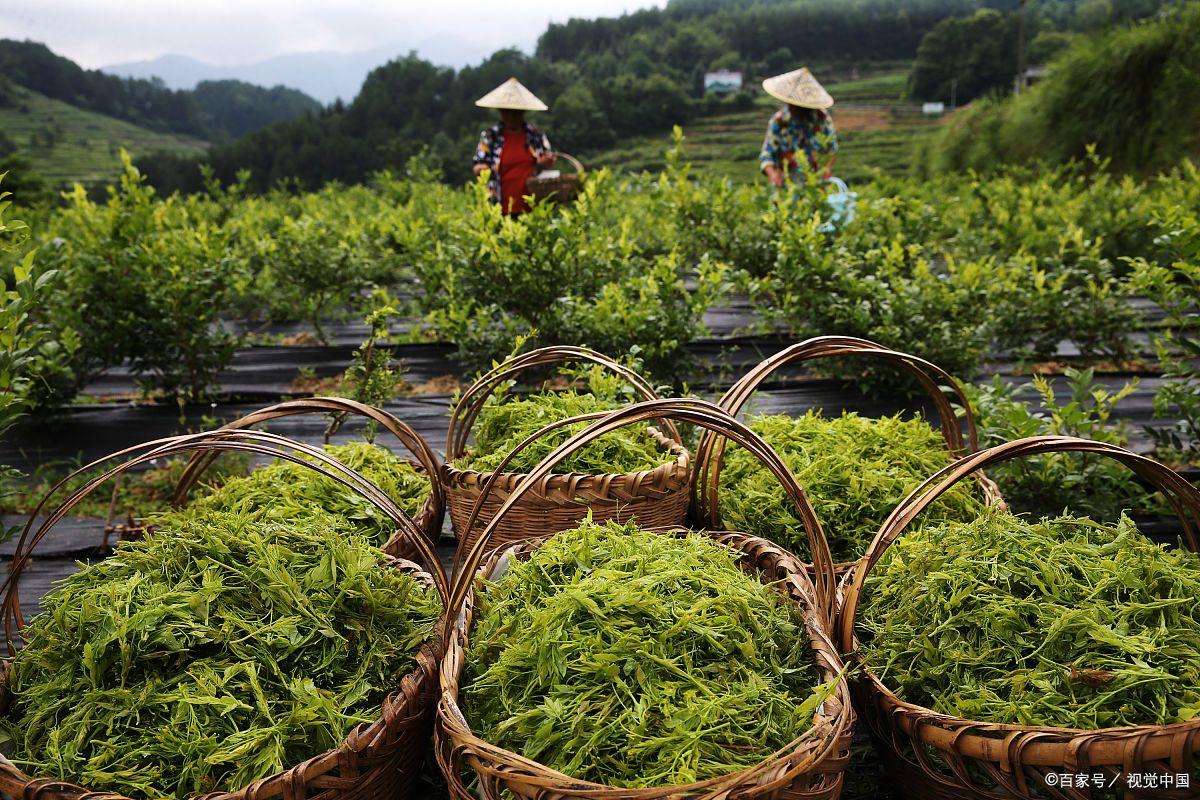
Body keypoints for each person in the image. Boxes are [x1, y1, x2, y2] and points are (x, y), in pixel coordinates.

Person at [472, 77, 556, 216]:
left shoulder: (535, 135)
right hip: (499, 206)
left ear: (523, 112)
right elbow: (478, 166)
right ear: (501, 112)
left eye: (516, 112)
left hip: (531, 206)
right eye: (507, 112)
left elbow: (549, 157)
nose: (511, 117)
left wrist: (545, 162)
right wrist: (484, 169)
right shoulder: (490, 136)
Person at [758, 67, 839, 190]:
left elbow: (831, 149)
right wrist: (773, 175)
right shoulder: (779, 122)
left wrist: (827, 169)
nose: (796, 109)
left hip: (817, 186)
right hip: (787, 187)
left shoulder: (820, 118)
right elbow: (767, 153)